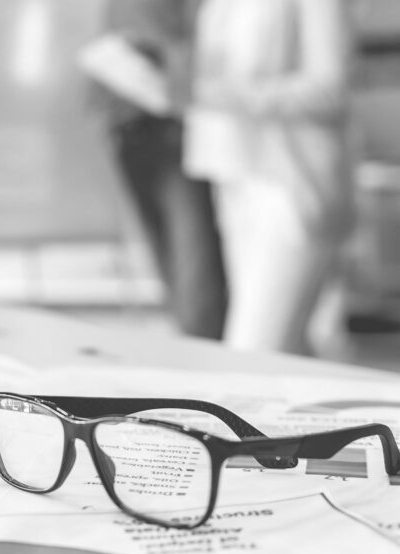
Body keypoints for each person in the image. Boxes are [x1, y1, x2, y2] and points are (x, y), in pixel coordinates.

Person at [185, 0, 354, 354]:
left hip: (291, 185)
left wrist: (212, 95)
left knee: (252, 350)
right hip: (234, 175)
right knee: (290, 351)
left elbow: (330, 90)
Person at [88, 0, 229, 340]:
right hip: (130, 127)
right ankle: (198, 362)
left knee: (197, 279)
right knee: (177, 272)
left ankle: (209, 374)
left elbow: (196, 54)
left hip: (175, 130)